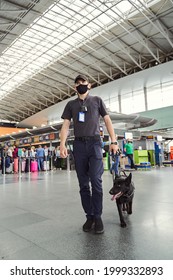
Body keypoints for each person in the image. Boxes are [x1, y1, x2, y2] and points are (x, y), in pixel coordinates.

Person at [60, 74, 118, 234]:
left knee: (96, 180)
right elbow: (65, 125)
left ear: (89, 85)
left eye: (83, 82)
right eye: (77, 83)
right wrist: (62, 143)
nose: (81, 85)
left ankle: (98, 216)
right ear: (74, 87)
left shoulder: (97, 100)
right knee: (83, 184)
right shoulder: (70, 104)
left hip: (95, 143)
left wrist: (113, 141)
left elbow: (107, 120)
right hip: (78, 145)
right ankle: (89, 216)